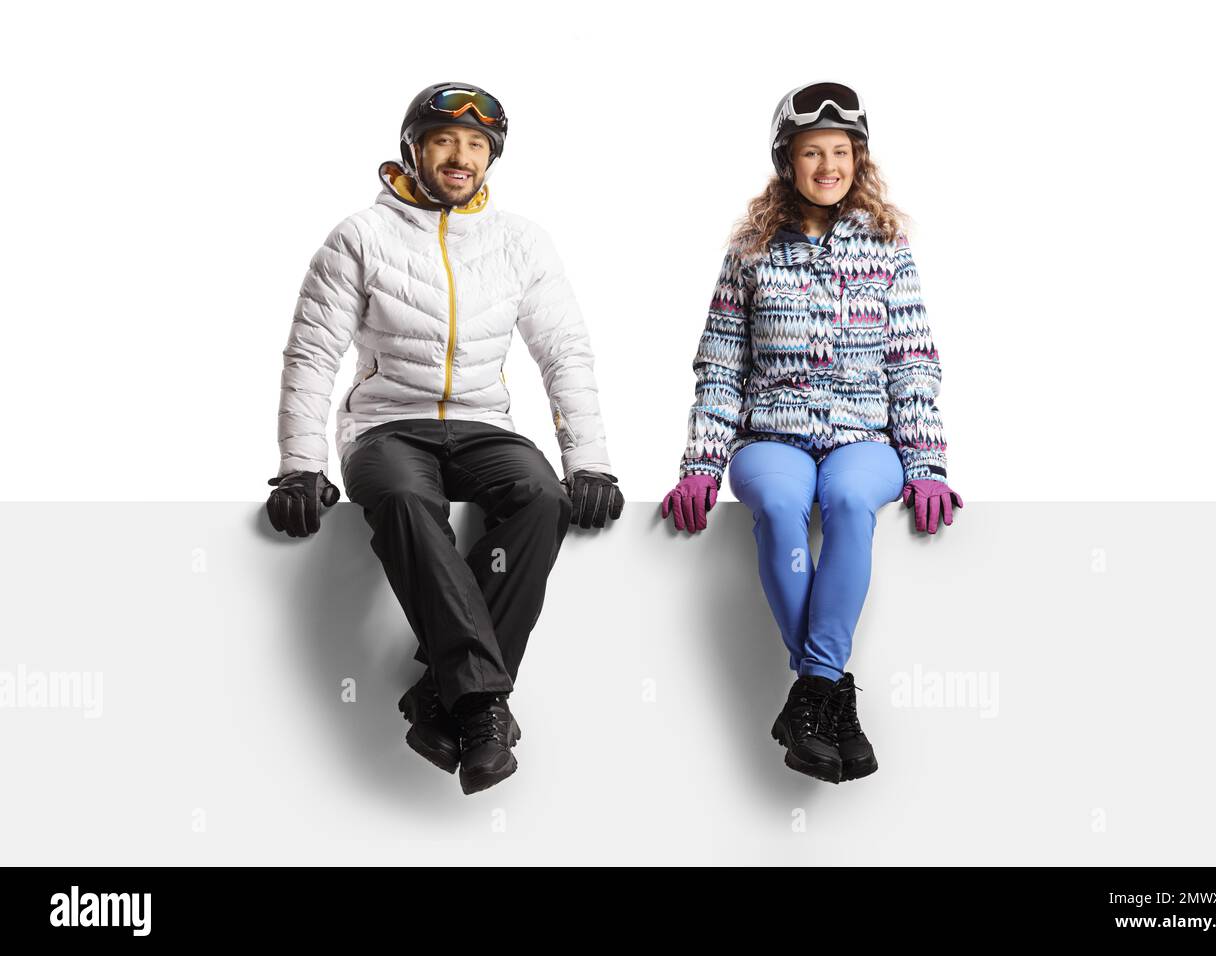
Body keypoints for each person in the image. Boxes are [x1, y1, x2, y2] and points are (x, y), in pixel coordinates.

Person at [265, 82, 624, 795]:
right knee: (402, 499)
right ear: (413, 150)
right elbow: (312, 354)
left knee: (540, 498)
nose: (461, 157)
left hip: (484, 424)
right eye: (444, 142)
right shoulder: (359, 237)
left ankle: (444, 695)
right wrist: (299, 464)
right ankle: (484, 705)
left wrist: (589, 461)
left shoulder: (521, 241)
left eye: (476, 146)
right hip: (385, 427)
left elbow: (565, 352)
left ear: (491, 157)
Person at [660, 81, 963, 785]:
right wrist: (703, 465)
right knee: (779, 506)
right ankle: (831, 696)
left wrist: (927, 465)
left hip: (865, 437)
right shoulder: (750, 253)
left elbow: (912, 361)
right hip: (775, 434)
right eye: (810, 153)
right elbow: (721, 365)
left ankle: (811, 692)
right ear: (785, 162)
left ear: (858, 160)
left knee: (854, 504)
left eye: (840, 152)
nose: (827, 166)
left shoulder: (888, 249)